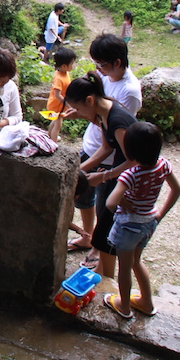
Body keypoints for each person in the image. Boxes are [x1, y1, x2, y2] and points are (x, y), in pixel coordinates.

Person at [70, 34, 142, 262]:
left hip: (116, 166)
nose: (99, 70)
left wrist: (104, 176)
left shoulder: (126, 98)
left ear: (117, 62)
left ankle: (101, 251)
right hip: (100, 153)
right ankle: (93, 240)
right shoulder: (104, 91)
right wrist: (80, 169)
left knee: (106, 209)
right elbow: (105, 142)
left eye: (102, 65)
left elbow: (129, 155)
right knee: (87, 198)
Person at [103, 122, 180, 319]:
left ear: (129, 151)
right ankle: (146, 302)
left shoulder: (130, 175)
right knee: (137, 262)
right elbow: (177, 190)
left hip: (129, 226)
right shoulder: (163, 165)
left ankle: (124, 306)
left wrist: (125, 202)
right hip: (149, 221)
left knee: (125, 268)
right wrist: (160, 214)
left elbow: (110, 202)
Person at [64, 70, 138, 277]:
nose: (78, 113)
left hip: (127, 179)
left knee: (107, 227)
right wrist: (78, 170)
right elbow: (106, 149)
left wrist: (104, 176)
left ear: (90, 100)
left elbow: (133, 161)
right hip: (117, 174)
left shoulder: (117, 120)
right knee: (104, 224)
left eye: (78, 108)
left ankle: (105, 277)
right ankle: (102, 272)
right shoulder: (105, 113)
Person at [45, 46, 76, 142]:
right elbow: (57, 94)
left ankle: (49, 135)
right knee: (58, 125)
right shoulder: (59, 78)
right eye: (72, 63)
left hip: (58, 106)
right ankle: (53, 141)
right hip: (56, 106)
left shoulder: (63, 73)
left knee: (55, 121)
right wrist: (67, 105)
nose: (73, 66)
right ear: (64, 66)